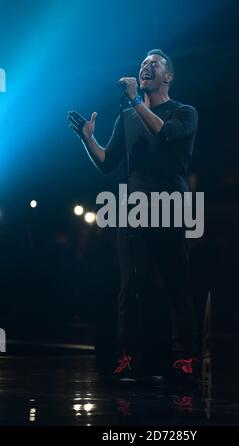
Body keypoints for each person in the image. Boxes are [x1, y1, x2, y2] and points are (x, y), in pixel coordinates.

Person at [68, 49, 199, 384]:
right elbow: (107, 163)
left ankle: (183, 359)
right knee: (130, 288)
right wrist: (88, 141)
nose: (145, 67)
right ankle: (127, 358)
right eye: (142, 64)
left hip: (171, 207)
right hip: (134, 209)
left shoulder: (184, 113)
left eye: (153, 64)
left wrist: (133, 102)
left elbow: (164, 133)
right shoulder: (127, 118)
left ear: (168, 76)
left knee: (176, 286)